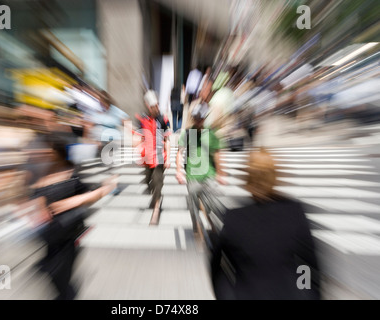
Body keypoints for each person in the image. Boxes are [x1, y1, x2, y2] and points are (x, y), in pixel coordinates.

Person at [210, 148, 321, 300]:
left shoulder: (234, 219)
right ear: (274, 177)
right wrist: (306, 292)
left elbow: (218, 270)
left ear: (247, 180)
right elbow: (307, 265)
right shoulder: (294, 213)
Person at [30, 138, 117, 300]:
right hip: (50, 238)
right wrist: (40, 209)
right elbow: (37, 198)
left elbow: (97, 193)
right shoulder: (41, 176)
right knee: (53, 276)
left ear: (57, 153)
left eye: (48, 152)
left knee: (61, 281)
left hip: (67, 238)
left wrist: (72, 202)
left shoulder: (71, 174)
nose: (42, 155)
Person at [176, 102, 227, 236]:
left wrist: (220, 173)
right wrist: (178, 171)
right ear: (193, 118)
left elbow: (216, 153)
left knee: (212, 206)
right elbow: (179, 152)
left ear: (205, 118)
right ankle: (197, 229)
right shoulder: (187, 133)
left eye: (201, 118)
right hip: (192, 176)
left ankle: (214, 229)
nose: (199, 121)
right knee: (193, 207)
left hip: (208, 175)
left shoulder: (211, 134)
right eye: (196, 118)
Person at [135, 90, 171, 225]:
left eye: (156, 105)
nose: (156, 108)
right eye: (152, 106)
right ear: (147, 106)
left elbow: (167, 139)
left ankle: (156, 210)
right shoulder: (142, 119)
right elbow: (140, 136)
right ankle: (154, 196)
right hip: (147, 157)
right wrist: (138, 148)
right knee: (147, 182)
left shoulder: (163, 119)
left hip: (160, 157)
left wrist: (169, 158)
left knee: (158, 182)